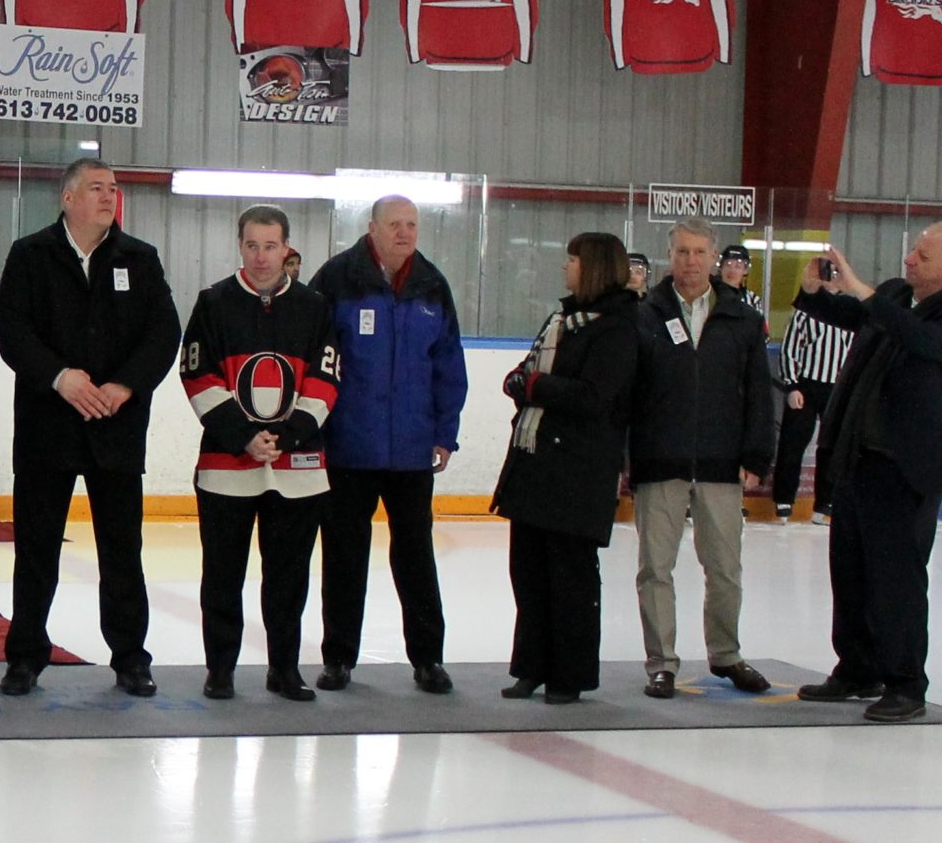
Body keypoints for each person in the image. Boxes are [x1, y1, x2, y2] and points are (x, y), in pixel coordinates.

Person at [0, 158, 180, 698]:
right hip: (47, 428)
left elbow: (162, 333)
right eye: (96, 187)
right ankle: (25, 655)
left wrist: (124, 385)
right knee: (36, 550)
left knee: (122, 551)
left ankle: (129, 657)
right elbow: (13, 331)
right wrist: (59, 377)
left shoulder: (139, 259)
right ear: (67, 198)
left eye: (114, 188)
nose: (109, 196)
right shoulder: (30, 255)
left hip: (116, 427)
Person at [792, 227, 942, 722]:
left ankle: (906, 684)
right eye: (913, 250)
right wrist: (816, 293)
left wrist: (862, 290)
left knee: (896, 581)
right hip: (859, 459)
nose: (910, 258)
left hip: (906, 471)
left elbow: (915, 336)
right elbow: (853, 316)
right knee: (850, 571)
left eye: (923, 254)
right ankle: (857, 668)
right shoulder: (897, 296)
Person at [307, 195, 467, 695]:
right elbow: (313, 359)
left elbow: (448, 365)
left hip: (412, 451)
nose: (404, 233)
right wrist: (315, 430)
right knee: (343, 556)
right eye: (395, 224)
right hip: (348, 448)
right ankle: (338, 658)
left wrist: (445, 433)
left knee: (416, 556)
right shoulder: (336, 279)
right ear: (372, 228)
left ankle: (428, 660)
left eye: (412, 225)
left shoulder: (432, 285)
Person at [181, 205, 339, 702]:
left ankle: (284, 669)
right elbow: (196, 373)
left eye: (271, 246)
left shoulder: (314, 307)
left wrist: (289, 435)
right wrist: (242, 435)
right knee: (222, 576)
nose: (261, 256)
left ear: (287, 248)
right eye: (252, 245)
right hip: (227, 469)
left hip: (299, 471)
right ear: (240, 246)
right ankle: (221, 669)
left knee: (288, 579)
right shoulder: (213, 303)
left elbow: (327, 375)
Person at [628, 218, 777, 700]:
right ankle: (661, 663)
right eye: (682, 252)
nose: (691, 262)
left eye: (699, 253)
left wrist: (757, 454)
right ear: (668, 256)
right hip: (659, 460)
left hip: (721, 461)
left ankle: (726, 654)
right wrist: (624, 458)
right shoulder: (644, 314)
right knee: (655, 568)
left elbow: (758, 392)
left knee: (725, 568)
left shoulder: (742, 318)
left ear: (714, 258)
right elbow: (627, 393)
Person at [492, 232, 643, 706]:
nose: (565, 267)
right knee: (529, 573)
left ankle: (569, 674)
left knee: (570, 579)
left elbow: (595, 397)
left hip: (578, 474)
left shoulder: (618, 329)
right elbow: (527, 373)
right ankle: (530, 667)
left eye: (572, 260)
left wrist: (535, 385)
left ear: (594, 266)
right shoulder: (563, 319)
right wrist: (527, 381)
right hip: (536, 468)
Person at [774, 282, 855, 523]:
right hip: (806, 385)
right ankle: (784, 498)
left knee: (831, 448)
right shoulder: (805, 310)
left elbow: (854, 352)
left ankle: (825, 503)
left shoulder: (850, 310)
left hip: (836, 388)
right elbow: (789, 349)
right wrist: (792, 385)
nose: (830, 280)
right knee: (793, 442)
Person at [718, 244, 765, 314]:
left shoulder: (753, 300)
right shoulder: (709, 295)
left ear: (745, 270)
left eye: (738, 266)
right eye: (728, 264)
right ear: (721, 268)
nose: (732, 270)